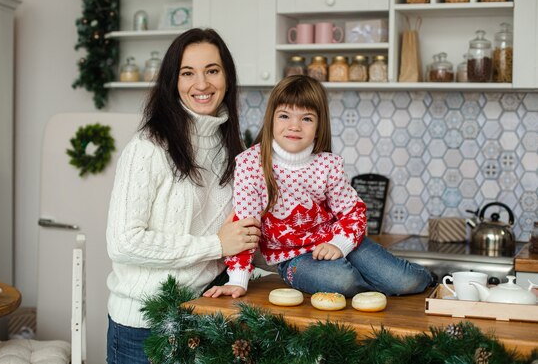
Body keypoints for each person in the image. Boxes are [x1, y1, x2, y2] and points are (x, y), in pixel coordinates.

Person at [106, 28, 261, 364]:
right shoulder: (148, 148)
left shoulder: (234, 149)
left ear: (227, 78)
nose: (201, 84)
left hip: (206, 315)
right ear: (172, 82)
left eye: (212, 70)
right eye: (187, 73)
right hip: (144, 326)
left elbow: (241, 231)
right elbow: (123, 242)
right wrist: (215, 246)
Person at [204, 75, 433, 299]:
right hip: (294, 258)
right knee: (341, 281)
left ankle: (427, 279)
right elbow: (245, 226)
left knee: (406, 281)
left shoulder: (328, 164)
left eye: (306, 119)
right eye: (284, 116)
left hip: (339, 240)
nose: (294, 126)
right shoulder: (251, 164)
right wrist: (237, 279)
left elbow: (352, 211)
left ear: (318, 124)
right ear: (271, 118)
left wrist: (339, 244)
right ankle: (375, 287)